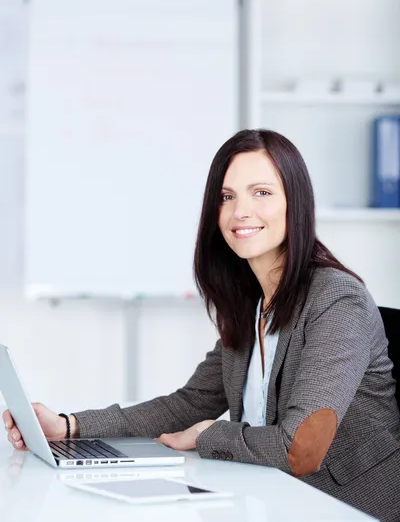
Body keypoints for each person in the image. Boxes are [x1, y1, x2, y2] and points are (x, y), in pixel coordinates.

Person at [3, 129, 400, 521]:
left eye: (261, 193)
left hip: (347, 507)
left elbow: (301, 447)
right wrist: (69, 427)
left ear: (295, 203)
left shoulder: (336, 299)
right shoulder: (252, 302)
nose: (240, 211)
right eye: (227, 197)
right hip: (272, 496)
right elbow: (189, 403)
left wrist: (208, 433)